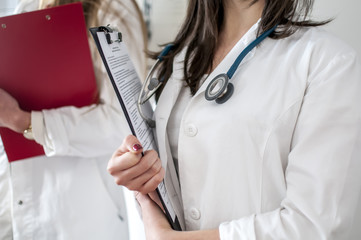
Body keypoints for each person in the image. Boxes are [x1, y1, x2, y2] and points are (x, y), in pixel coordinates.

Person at [107, 0, 361, 239]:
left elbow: (317, 225)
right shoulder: (177, 61)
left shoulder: (327, 62)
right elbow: (176, 196)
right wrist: (142, 181)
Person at [0, 0, 147, 239]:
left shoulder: (110, 9)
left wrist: (24, 121)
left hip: (78, 208)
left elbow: (123, 121)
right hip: (16, 196)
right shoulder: (24, 6)